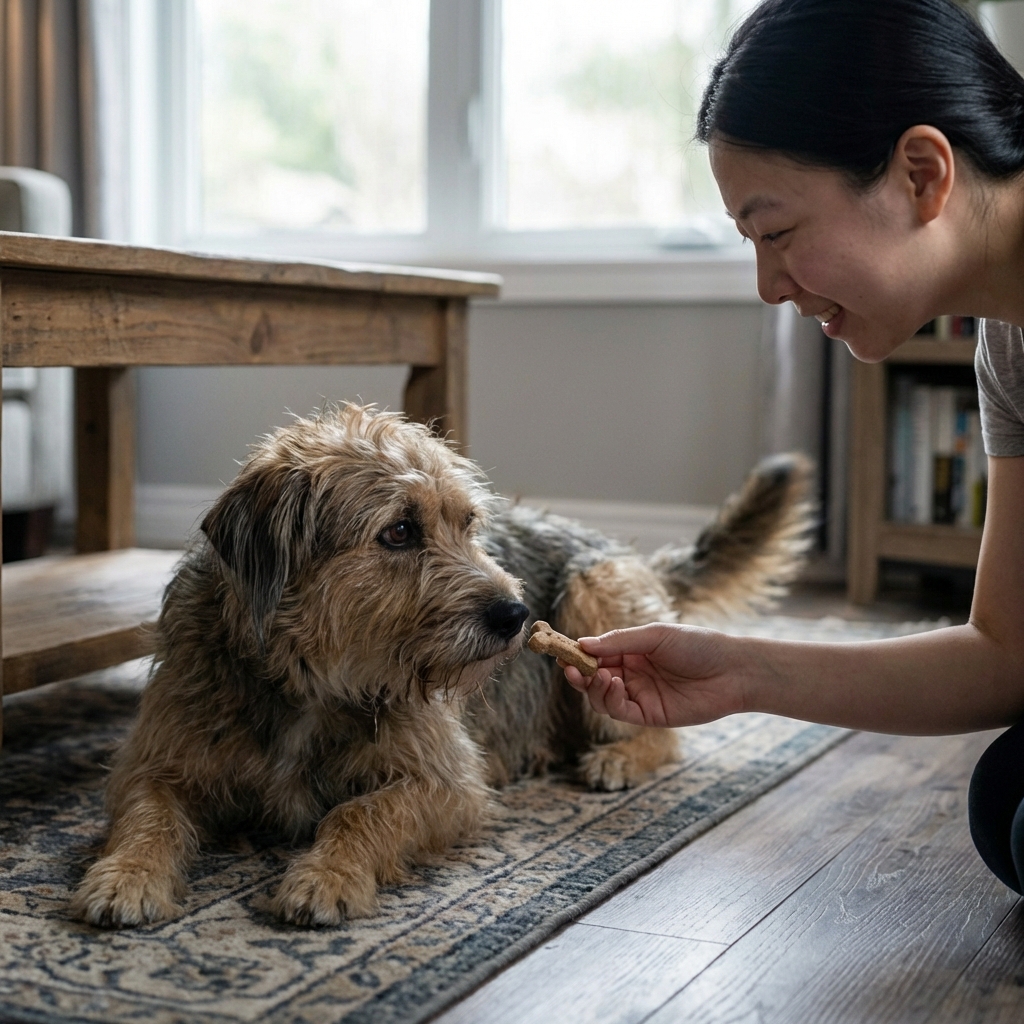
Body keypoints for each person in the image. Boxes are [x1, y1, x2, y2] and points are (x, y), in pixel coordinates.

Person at [562, 0, 1024, 896]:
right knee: (1003, 801)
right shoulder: (1009, 346)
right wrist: (740, 671)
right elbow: (1009, 655)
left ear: (921, 174)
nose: (770, 286)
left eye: (778, 234)